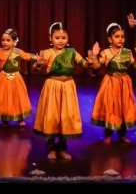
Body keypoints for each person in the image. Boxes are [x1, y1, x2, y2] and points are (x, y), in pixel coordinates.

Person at [32, 22, 96, 160]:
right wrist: (38, 64)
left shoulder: (72, 52)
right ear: (51, 38)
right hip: (52, 86)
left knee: (66, 117)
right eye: (57, 37)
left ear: (68, 39)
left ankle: (62, 148)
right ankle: (51, 149)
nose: (60, 40)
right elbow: (35, 68)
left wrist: (90, 61)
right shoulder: (46, 53)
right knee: (52, 117)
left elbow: (84, 64)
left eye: (63, 38)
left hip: (68, 86)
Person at [89, 23, 136, 145]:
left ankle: (122, 135)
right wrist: (95, 56)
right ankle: (108, 135)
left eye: (122, 36)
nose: (120, 39)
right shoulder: (106, 53)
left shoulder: (127, 52)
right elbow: (96, 67)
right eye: (117, 36)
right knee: (111, 108)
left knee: (123, 108)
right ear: (110, 39)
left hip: (124, 83)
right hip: (110, 83)